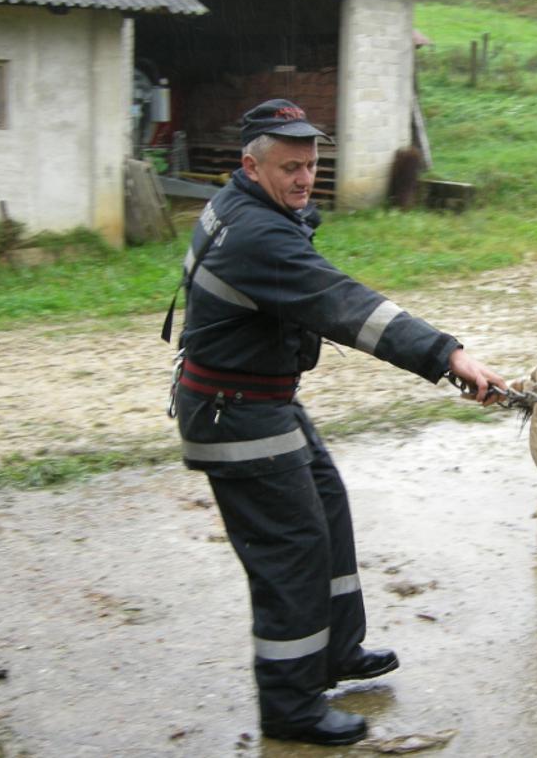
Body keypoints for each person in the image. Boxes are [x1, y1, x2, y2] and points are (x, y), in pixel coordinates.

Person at [169, 98, 503, 746]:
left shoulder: (251, 208)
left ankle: (336, 651)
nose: (303, 179)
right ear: (250, 165)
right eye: (289, 167)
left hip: (258, 398)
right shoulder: (258, 236)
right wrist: (449, 355)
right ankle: (291, 708)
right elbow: (345, 305)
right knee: (291, 550)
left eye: (310, 165)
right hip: (235, 411)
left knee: (326, 505)